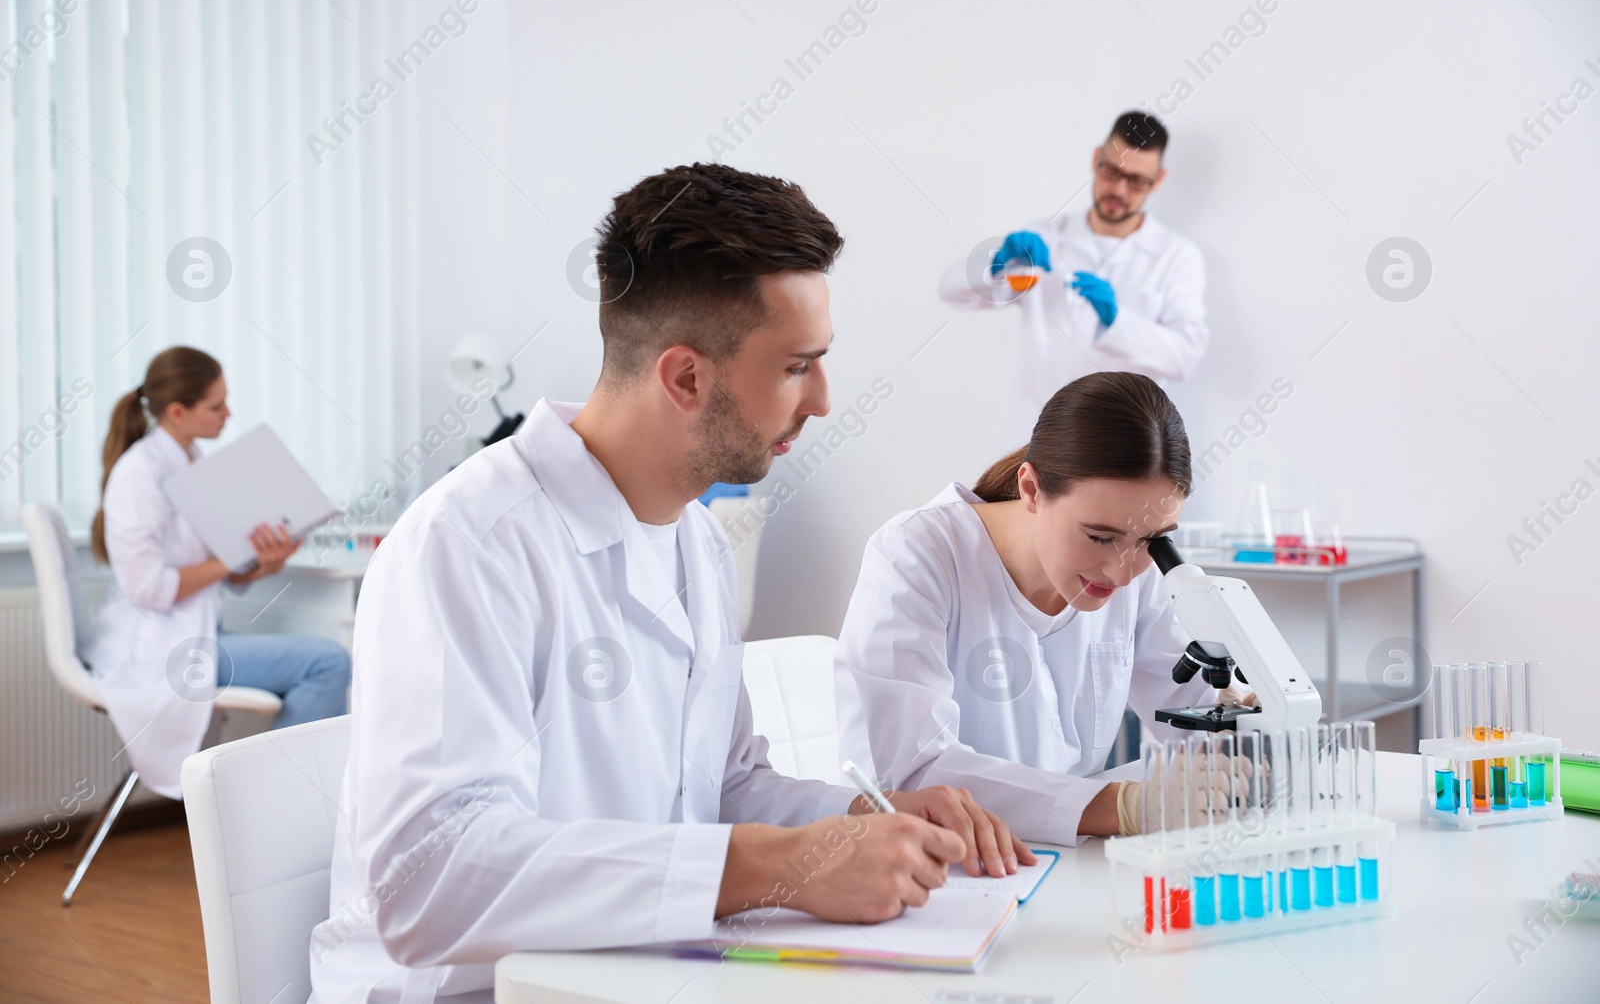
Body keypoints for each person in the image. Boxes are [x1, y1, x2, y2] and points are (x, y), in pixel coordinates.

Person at [310, 163, 1032, 1004]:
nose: (825, 400)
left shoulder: (696, 538)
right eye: (799, 366)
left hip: (636, 973)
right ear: (685, 377)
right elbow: (428, 884)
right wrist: (783, 863)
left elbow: (721, 787)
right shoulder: (467, 543)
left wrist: (869, 818)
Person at [834, 372, 1250, 845]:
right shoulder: (916, 555)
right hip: (934, 864)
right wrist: (1124, 807)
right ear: (1031, 489)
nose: (1120, 572)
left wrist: (1252, 727)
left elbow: (1196, 710)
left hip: (1070, 860)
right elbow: (914, 772)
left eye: (1152, 540)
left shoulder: (1138, 567)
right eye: (1098, 537)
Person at [84, 346, 350, 799]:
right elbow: (148, 588)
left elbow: (220, 573)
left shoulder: (193, 465)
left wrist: (263, 563)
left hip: (196, 633)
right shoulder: (139, 476)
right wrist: (231, 560)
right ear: (177, 412)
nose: (229, 413)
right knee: (328, 662)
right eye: (216, 405)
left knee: (325, 660)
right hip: (159, 649)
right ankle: (284, 808)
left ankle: (283, 806)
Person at [939, 111, 1208, 444]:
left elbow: (1184, 357)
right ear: (1096, 159)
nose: (1120, 190)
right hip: (1035, 436)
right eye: (1112, 171)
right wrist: (999, 262)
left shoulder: (1177, 257)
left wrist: (1117, 319)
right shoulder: (1045, 236)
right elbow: (951, 291)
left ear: (1158, 180)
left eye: (1137, 181)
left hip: (1121, 442)